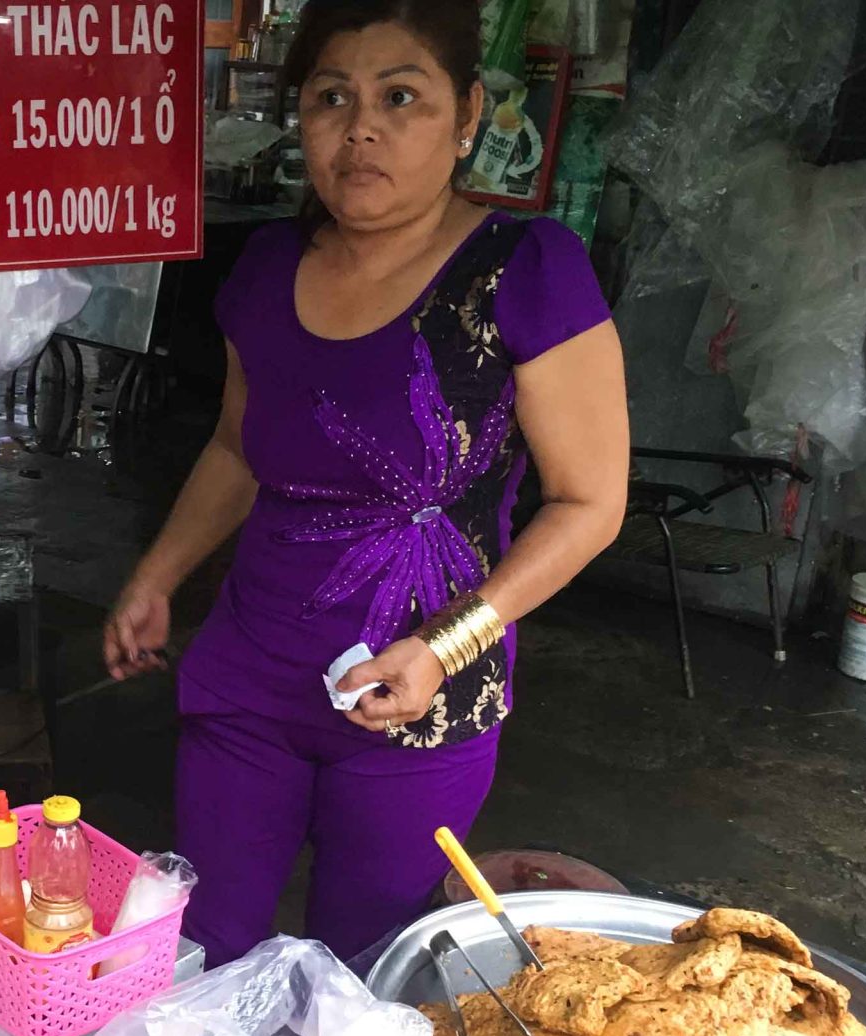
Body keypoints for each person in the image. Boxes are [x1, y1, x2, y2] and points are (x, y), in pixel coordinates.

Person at [102, 0, 628, 968]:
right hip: (248, 680)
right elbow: (234, 447)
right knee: (204, 949)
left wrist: (444, 646)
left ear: (468, 114)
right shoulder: (265, 268)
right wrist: (159, 575)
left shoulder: (524, 271)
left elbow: (591, 503)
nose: (362, 128)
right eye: (330, 97)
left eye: (402, 96)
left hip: (421, 701)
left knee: (369, 970)